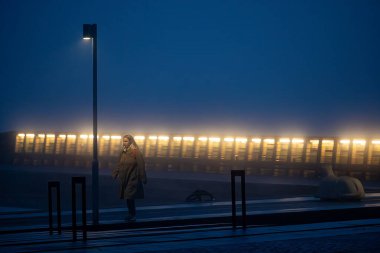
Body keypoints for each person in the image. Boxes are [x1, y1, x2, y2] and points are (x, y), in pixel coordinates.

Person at [112, 134, 147, 222]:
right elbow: (119, 163)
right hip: (125, 178)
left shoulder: (135, 151)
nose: (124, 143)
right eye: (123, 141)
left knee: (129, 196)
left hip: (133, 178)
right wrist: (115, 173)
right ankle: (131, 213)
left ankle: (132, 214)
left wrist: (143, 177)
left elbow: (141, 164)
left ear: (131, 141)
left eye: (126, 141)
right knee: (127, 196)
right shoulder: (123, 151)